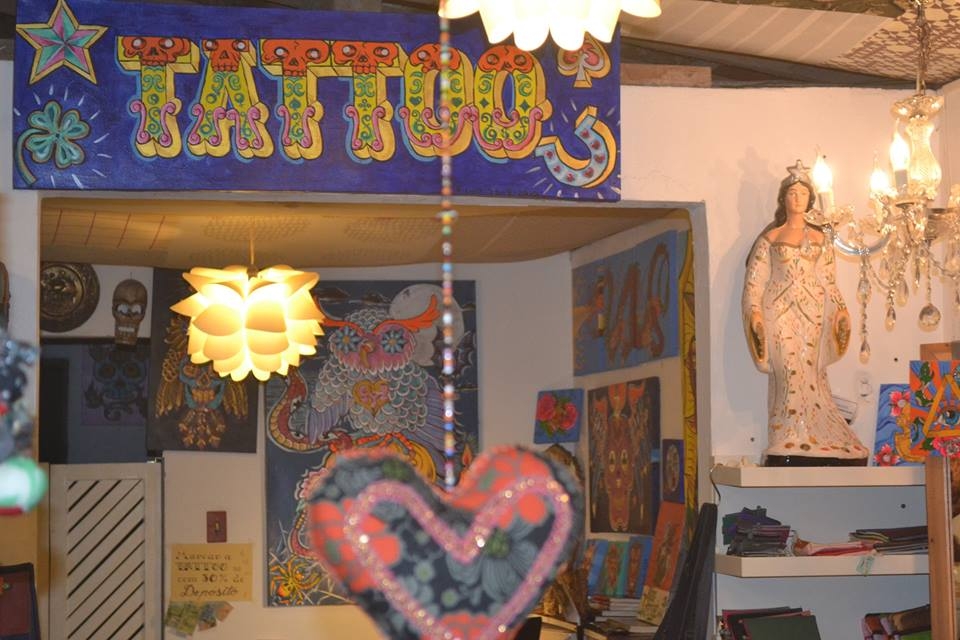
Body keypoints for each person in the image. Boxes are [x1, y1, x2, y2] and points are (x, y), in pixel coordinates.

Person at [742, 161, 868, 466]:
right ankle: (787, 436)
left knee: (811, 374)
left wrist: (840, 311)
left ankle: (818, 436)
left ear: (810, 198)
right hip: (779, 312)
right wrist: (754, 315)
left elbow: (829, 282)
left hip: (812, 314)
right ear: (783, 199)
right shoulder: (770, 239)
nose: (797, 198)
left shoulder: (821, 239)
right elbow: (754, 285)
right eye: (792, 193)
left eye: (802, 193)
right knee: (788, 372)